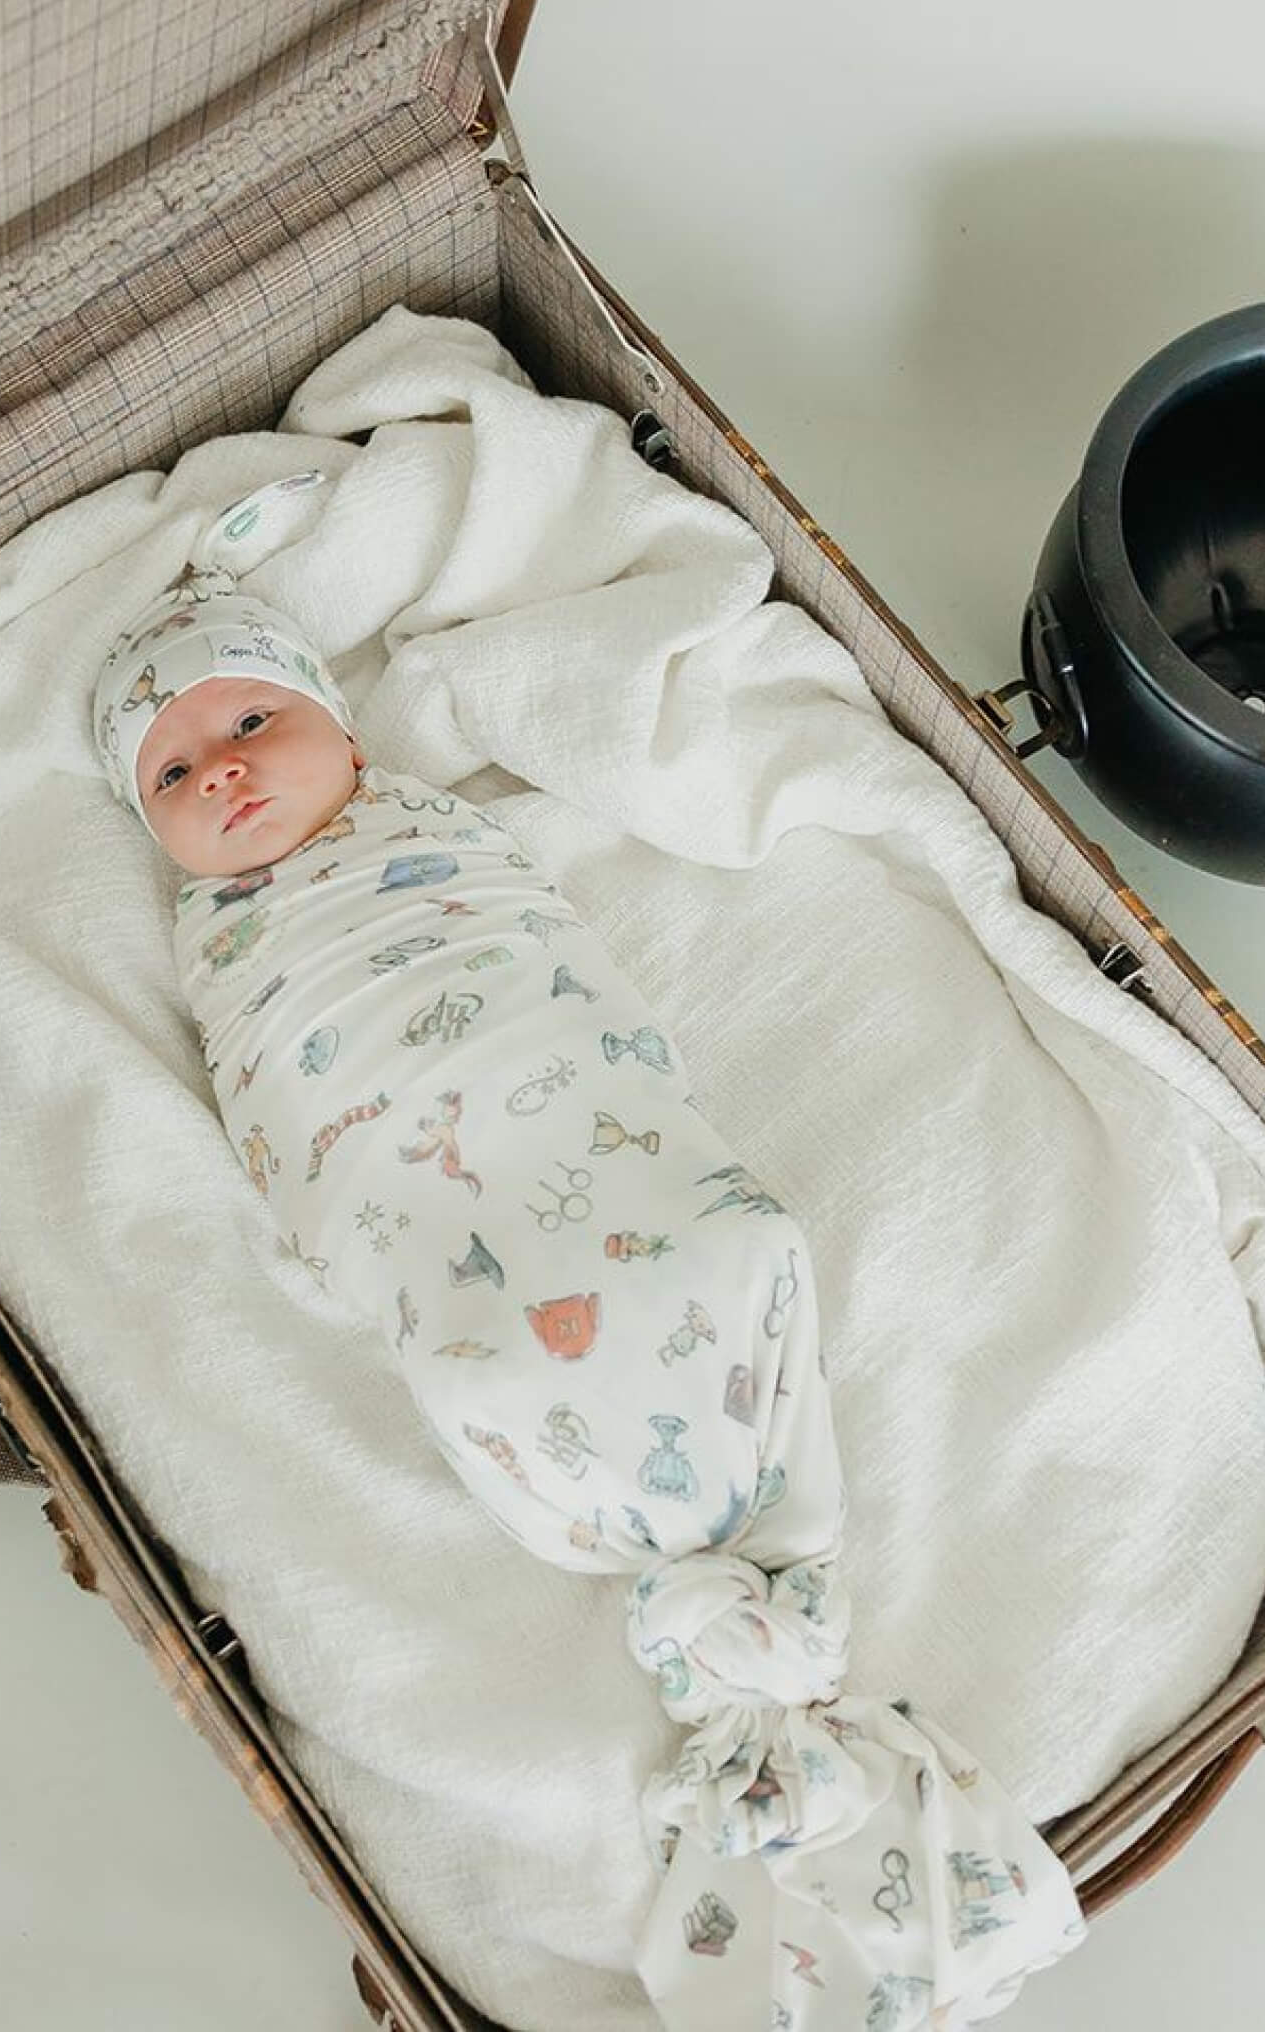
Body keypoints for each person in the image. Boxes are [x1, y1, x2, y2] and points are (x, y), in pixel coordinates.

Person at [90, 506, 1083, 2031]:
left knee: (725, 1247)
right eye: (170, 773)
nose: (220, 768)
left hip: (570, 1111)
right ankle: (705, 1603)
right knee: (484, 1363)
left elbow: (555, 972)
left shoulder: (426, 825)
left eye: (250, 720)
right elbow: (275, 1102)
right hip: (421, 1205)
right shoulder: (214, 947)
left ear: (342, 730)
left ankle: (746, 1585)